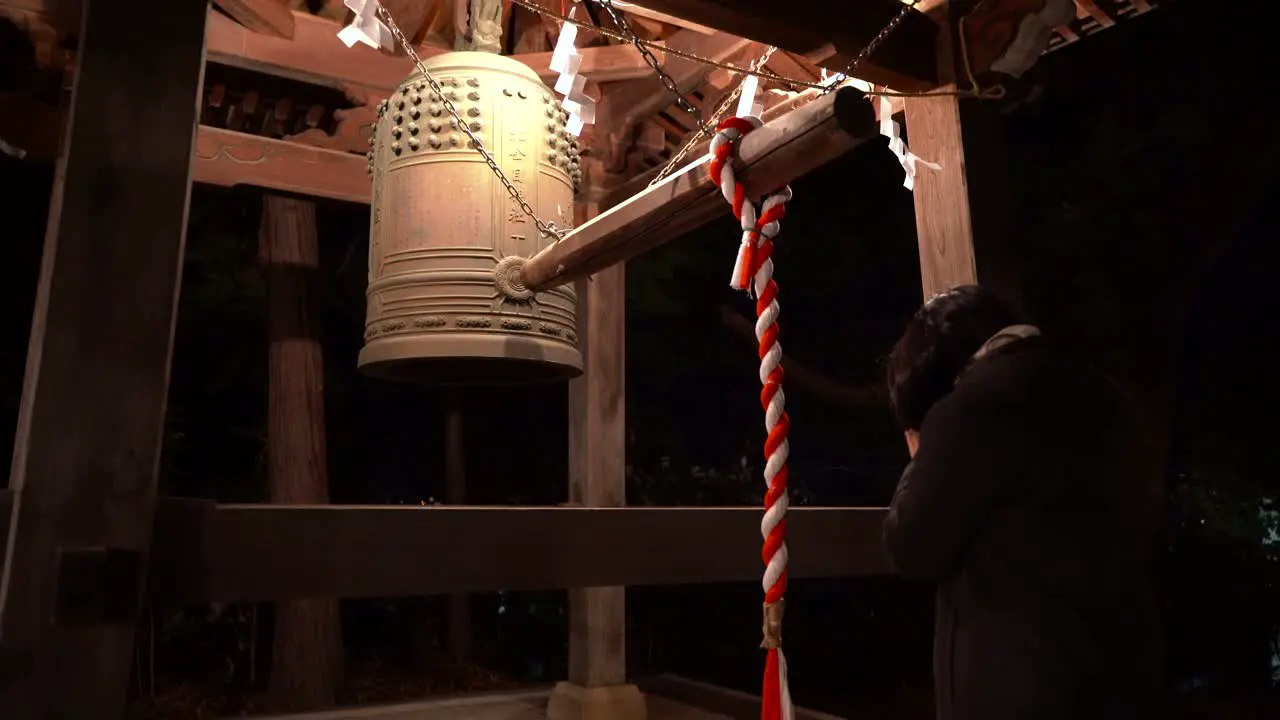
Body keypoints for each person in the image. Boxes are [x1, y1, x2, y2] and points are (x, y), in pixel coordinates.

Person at [882, 285, 1164, 720]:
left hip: (1021, 687)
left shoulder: (973, 406)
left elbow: (911, 545)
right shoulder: (1109, 397)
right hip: (1123, 676)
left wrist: (920, 452)